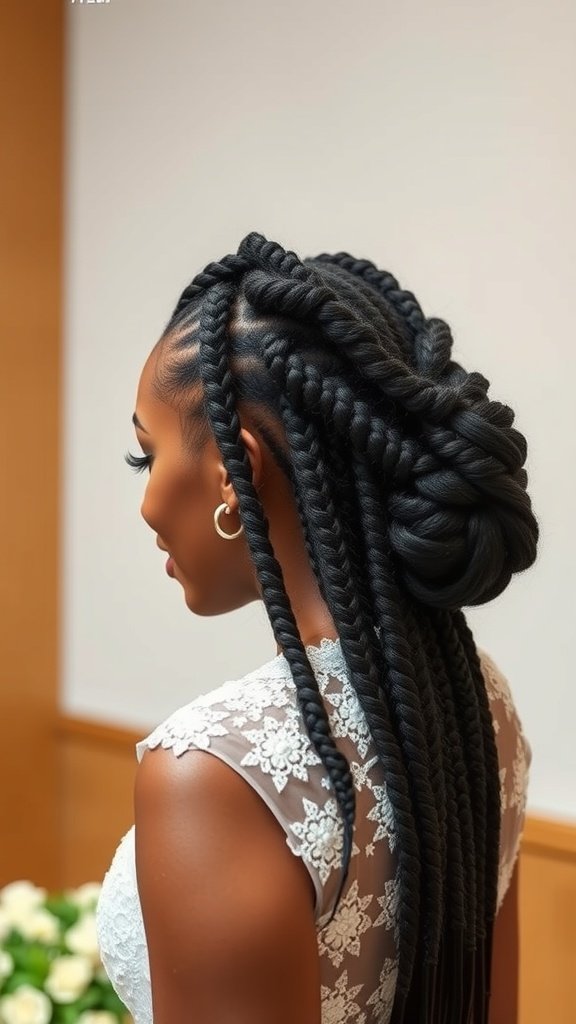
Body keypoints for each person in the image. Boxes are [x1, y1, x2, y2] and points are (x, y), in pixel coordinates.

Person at [95, 232, 537, 1024]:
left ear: (237, 472)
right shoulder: (479, 701)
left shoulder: (212, 774)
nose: (146, 503)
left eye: (146, 455)